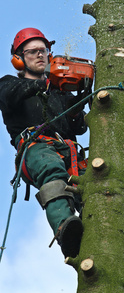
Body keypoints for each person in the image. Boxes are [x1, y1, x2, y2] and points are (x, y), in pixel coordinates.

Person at [0, 27, 88, 259]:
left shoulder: (59, 93)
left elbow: (78, 127)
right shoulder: (9, 84)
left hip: (68, 152)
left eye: (44, 50)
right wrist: (47, 83)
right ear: (19, 60)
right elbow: (10, 97)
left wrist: (79, 101)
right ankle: (64, 228)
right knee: (51, 170)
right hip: (36, 150)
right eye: (33, 52)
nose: (40, 55)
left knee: (95, 185)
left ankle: (104, 238)